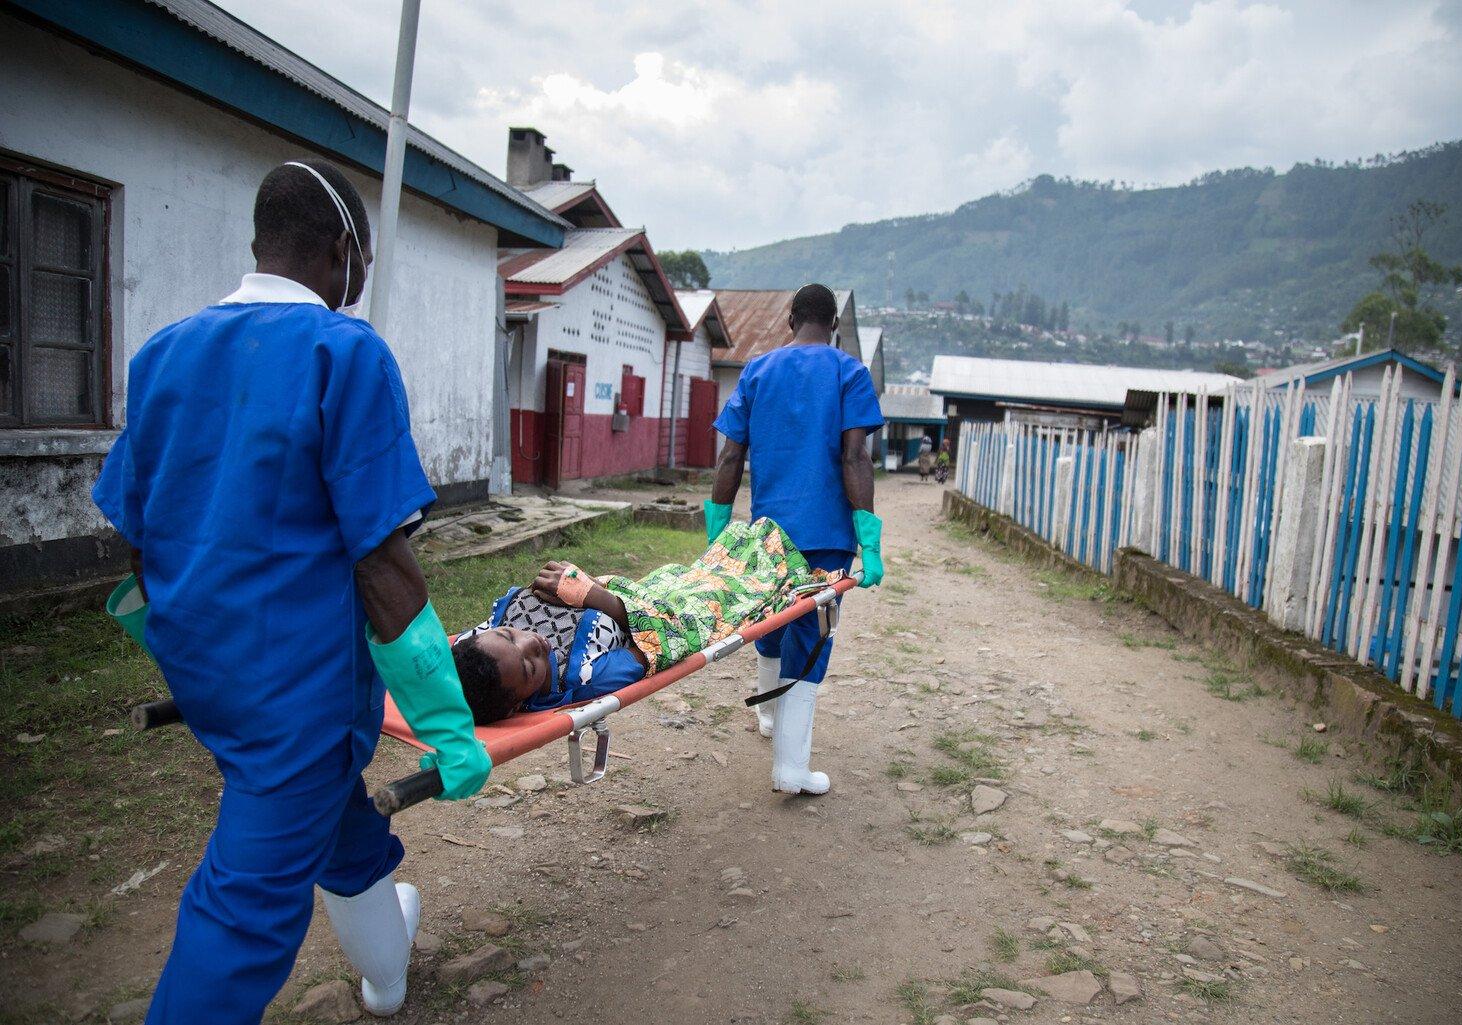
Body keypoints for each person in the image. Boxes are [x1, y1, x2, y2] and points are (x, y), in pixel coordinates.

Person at [93, 159, 490, 1024]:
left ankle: (387, 979)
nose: (361, 286)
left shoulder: (161, 354)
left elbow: (135, 543)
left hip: (214, 686)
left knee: (340, 830)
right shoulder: (343, 354)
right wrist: (449, 729)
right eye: (367, 267)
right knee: (241, 914)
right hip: (299, 705)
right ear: (345, 249)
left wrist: (197, 656)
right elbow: (383, 571)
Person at [705, 283, 885, 795]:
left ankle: (768, 719)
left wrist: (719, 529)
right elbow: (855, 458)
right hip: (826, 537)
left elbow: (729, 457)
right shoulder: (849, 372)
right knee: (811, 637)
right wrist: (868, 539)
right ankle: (790, 769)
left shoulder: (757, 371)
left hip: (769, 535)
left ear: (790, 320)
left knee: (770, 621)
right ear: (832, 326)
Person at [453, 518, 840, 724]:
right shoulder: (586, 676)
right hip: (671, 611)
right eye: (527, 666)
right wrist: (593, 596)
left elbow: (458, 649)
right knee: (747, 576)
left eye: (509, 634)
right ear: (515, 706)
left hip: (643, 588)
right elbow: (657, 646)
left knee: (718, 554)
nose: (530, 643)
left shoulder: (484, 643)